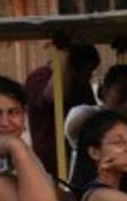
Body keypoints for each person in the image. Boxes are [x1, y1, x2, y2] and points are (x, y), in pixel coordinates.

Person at [24, 44, 100, 176]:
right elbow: (52, 96)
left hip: (76, 158)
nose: (89, 77)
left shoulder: (83, 86)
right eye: (86, 71)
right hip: (49, 162)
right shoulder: (39, 77)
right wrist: (64, 61)